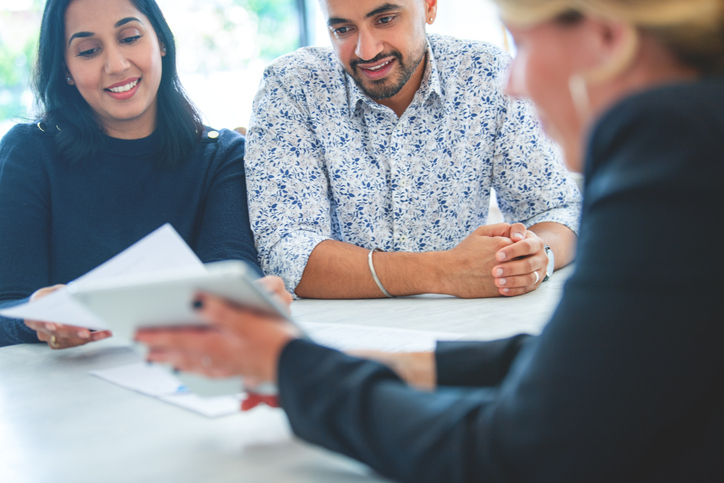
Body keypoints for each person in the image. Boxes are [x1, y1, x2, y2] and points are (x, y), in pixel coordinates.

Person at [137, 0, 724, 480]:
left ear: (606, 37)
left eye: (522, 46)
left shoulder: (668, 142)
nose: (513, 84)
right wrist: (398, 362)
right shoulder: (694, 132)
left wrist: (292, 367)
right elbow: (605, 364)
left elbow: (511, 452)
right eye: (344, 27)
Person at [245, 0, 582, 300]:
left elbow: (557, 208)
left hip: (469, 326)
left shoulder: (486, 74)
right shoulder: (291, 86)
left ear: (430, 7)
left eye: (386, 19)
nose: (366, 50)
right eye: (343, 29)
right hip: (339, 332)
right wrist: (444, 271)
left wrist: (538, 255)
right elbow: (285, 251)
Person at [0, 0, 264, 349]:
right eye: (89, 50)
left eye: (130, 37)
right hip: (63, 385)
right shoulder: (30, 153)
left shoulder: (221, 156)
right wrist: (39, 322)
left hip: (184, 377)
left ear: (162, 42)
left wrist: (248, 297)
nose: (116, 64)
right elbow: (7, 307)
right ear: (66, 69)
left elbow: (231, 277)